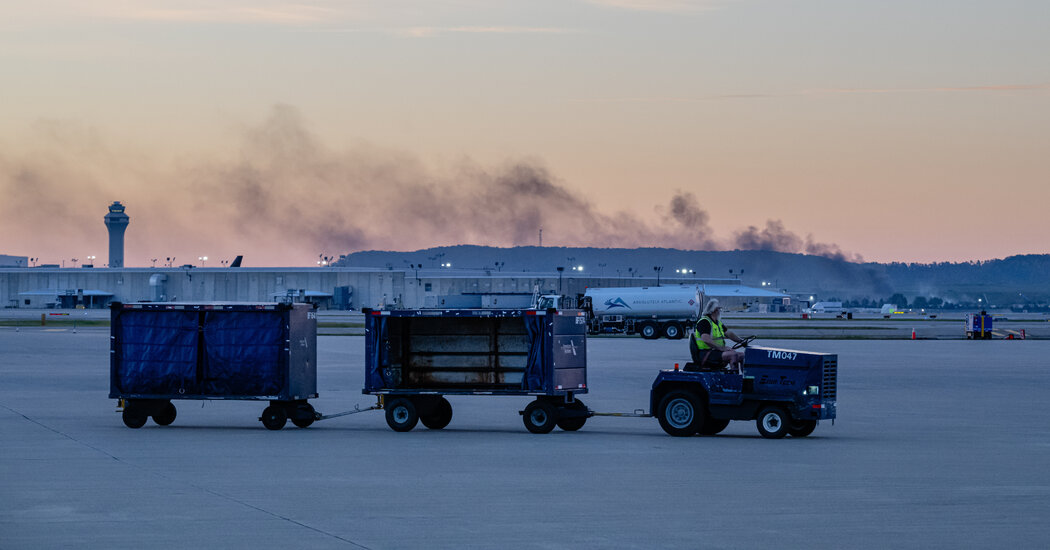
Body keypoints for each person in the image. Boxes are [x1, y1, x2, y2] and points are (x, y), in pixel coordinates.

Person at [691, 298, 748, 373]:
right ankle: (734, 379)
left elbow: (729, 333)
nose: (720, 311)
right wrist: (722, 348)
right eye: (719, 309)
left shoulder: (717, 323)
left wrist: (741, 341)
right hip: (706, 353)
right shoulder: (704, 322)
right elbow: (706, 339)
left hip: (716, 352)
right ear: (714, 310)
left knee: (742, 356)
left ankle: (746, 379)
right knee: (733, 355)